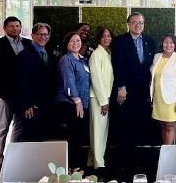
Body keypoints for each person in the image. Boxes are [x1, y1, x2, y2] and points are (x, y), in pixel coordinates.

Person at [110, 12, 156, 178]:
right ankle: (124, 164)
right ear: (128, 24)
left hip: (143, 93)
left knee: (139, 127)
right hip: (126, 92)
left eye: (141, 22)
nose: (138, 25)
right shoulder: (120, 41)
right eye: (135, 22)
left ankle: (137, 162)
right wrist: (121, 87)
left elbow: (152, 68)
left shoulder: (150, 41)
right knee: (125, 128)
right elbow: (118, 65)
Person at [0, 16, 31, 175]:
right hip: (4, 95)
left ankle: (14, 158)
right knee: (1, 128)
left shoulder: (28, 44)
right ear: (5, 28)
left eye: (18, 26)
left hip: (22, 95)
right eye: (11, 26)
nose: (15, 29)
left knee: (19, 128)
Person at [55, 32, 91, 173]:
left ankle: (75, 166)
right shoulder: (66, 59)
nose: (76, 43)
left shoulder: (82, 60)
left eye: (78, 40)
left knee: (78, 136)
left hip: (82, 103)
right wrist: (77, 101)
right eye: (72, 41)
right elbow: (68, 81)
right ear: (67, 43)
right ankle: (71, 167)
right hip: (70, 104)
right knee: (72, 136)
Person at [16, 23, 56, 142]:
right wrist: (27, 104)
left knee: (43, 136)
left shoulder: (48, 53)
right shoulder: (24, 55)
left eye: (45, 34)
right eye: (39, 34)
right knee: (31, 137)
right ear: (32, 35)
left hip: (45, 103)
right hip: (31, 106)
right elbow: (21, 81)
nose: (43, 37)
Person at [150, 34, 176, 145]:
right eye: (166, 42)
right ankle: (165, 152)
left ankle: (168, 155)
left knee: (170, 126)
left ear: (175, 45)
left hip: (173, 100)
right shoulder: (157, 57)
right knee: (163, 125)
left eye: (171, 43)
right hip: (158, 98)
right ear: (162, 44)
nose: (168, 45)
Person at [87, 28, 113, 171]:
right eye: (103, 36)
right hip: (98, 99)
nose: (107, 38)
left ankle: (93, 161)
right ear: (98, 38)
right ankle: (99, 165)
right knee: (98, 132)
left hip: (105, 98)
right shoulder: (96, 54)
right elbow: (96, 80)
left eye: (109, 36)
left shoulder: (106, 54)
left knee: (101, 131)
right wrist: (103, 102)